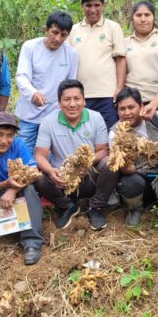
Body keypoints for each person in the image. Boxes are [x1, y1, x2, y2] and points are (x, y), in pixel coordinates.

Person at [34, 79, 119, 230]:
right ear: (59, 103)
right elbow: (39, 155)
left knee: (111, 161)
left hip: (88, 176)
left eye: (77, 98)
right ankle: (66, 206)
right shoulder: (48, 121)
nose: (72, 104)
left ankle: (95, 207)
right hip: (61, 179)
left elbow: (103, 150)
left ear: (84, 101)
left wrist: (84, 162)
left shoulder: (95, 118)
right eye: (67, 99)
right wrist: (50, 171)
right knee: (38, 177)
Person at [0, 112, 45, 265]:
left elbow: (33, 172)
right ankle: (8, 231)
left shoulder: (18, 144)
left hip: (17, 187)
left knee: (29, 190)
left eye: (9, 136)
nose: (4, 141)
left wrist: (12, 190)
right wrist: (6, 184)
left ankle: (31, 242)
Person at [15, 11, 78, 153]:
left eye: (63, 35)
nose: (57, 38)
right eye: (54, 32)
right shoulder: (30, 47)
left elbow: (71, 85)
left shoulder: (71, 54)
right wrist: (33, 93)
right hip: (29, 113)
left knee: (51, 155)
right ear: (46, 29)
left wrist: (62, 106)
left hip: (54, 114)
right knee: (24, 153)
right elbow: (21, 76)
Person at [109, 87, 158, 226]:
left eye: (131, 107)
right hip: (140, 178)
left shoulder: (157, 118)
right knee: (128, 182)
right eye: (122, 109)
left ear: (141, 106)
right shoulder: (115, 133)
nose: (127, 113)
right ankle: (135, 210)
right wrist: (127, 164)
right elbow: (124, 170)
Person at [68, 0, 126, 129]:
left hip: (107, 95)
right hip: (80, 96)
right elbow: (66, 61)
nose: (93, 10)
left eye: (97, 5)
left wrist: (119, 88)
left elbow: (120, 59)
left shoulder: (113, 27)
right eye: (88, 5)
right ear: (82, 6)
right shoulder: (73, 30)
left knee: (109, 135)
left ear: (103, 5)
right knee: (84, 136)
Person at [124, 1, 158, 121]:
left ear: (153, 17)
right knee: (133, 139)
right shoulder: (125, 42)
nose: (143, 19)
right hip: (134, 103)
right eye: (138, 15)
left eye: (147, 15)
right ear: (132, 18)